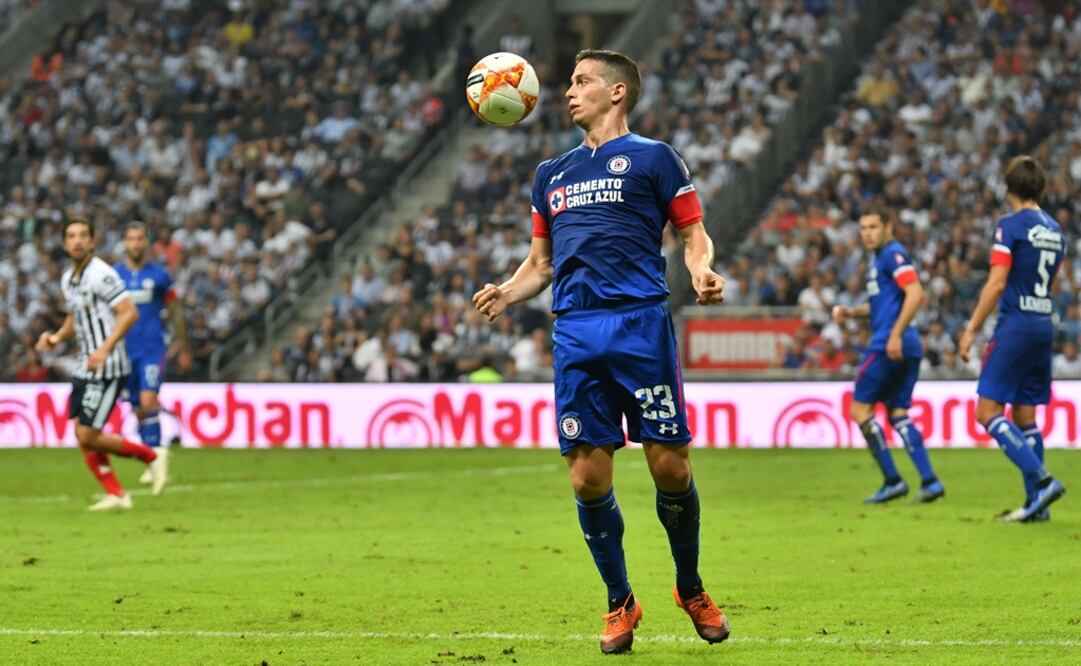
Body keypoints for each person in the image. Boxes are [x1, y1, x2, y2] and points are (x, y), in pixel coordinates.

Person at [472, 49, 728, 655]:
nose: (568, 91)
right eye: (569, 82)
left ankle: (688, 586)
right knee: (588, 478)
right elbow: (540, 265)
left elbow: (694, 235)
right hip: (577, 331)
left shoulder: (656, 158)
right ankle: (620, 600)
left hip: (640, 324)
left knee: (671, 467)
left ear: (617, 93)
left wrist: (703, 271)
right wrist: (508, 292)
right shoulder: (550, 174)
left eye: (582, 81)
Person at [959, 156, 1067, 522]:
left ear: (1008, 188)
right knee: (1025, 414)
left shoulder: (1009, 226)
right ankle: (1036, 507)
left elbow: (997, 282)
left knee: (986, 412)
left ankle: (1042, 480)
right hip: (1042, 323)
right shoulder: (1055, 229)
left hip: (1016, 324)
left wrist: (972, 326)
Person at [35, 218, 164, 510]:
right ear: (64, 244)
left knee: (87, 433)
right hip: (86, 365)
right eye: (71, 236)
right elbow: (75, 317)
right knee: (84, 434)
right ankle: (117, 494)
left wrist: (104, 349)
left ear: (92, 241)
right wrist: (56, 338)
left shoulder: (102, 274)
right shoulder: (69, 278)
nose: (77, 241)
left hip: (108, 367)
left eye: (83, 235)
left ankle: (150, 457)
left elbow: (129, 313)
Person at [832, 210, 944, 504]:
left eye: (873, 227)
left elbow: (915, 293)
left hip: (888, 344)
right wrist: (852, 312)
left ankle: (893, 480)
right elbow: (882, 305)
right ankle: (930, 482)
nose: (867, 233)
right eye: (863, 228)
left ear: (888, 227)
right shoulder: (877, 259)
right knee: (898, 414)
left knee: (860, 410)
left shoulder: (892, 254)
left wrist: (894, 334)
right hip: (909, 346)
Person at [115, 222, 190, 491]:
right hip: (124, 351)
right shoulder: (114, 275)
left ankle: (158, 457)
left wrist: (182, 344)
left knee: (148, 401)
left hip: (151, 349)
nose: (135, 244)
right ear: (125, 242)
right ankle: (152, 461)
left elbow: (175, 311)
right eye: (131, 239)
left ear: (146, 243)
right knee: (136, 406)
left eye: (139, 239)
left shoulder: (160, 275)